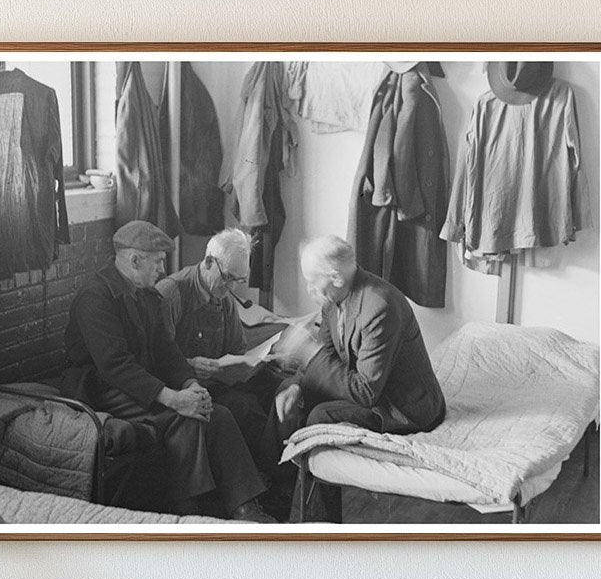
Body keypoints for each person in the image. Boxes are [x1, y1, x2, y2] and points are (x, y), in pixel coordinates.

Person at [62, 220, 275, 522]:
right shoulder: (96, 298)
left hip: (138, 382)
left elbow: (166, 352)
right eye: (158, 262)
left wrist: (190, 385)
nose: (162, 270)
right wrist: (174, 399)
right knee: (183, 420)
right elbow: (115, 366)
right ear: (135, 260)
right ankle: (190, 513)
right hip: (100, 387)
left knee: (216, 412)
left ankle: (243, 505)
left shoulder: (147, 295)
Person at [275, 234, 446, 434]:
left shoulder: (380, 308)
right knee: (287, 390)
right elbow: (329, 355)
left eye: (313, 282)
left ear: (337, 278)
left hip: (403, 406)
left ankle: (293, 461)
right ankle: (271, 463)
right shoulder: (332, 298)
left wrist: (309, 353)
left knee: (320, 415)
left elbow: (365, 392)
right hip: (369, 386)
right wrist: (298, 387)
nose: (309, 289)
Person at [156, 228, 281, 471]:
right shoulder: (172, 293)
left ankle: (273, 477)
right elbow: (157, 358)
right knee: (242, 409)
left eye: (239, 280)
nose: (232, 287)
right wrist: (190, 365)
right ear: (208, 262)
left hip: (216, 383)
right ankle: (268, 478)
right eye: (228, 277)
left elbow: (237, 350)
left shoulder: (224, 297)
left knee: (274, 389)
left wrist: (255, 363)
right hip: (182, 389)